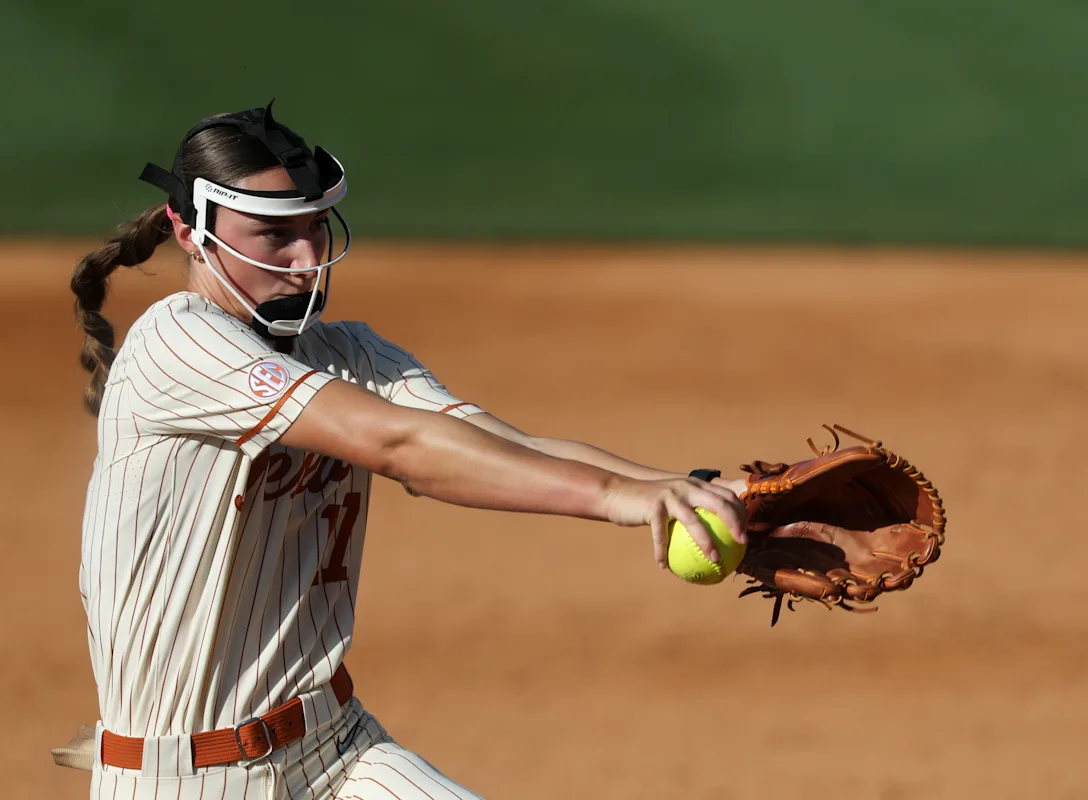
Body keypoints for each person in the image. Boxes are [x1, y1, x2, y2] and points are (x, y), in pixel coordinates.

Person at [71, 101, 748, 800]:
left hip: (339, 752)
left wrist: (699, 493)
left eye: (312, 227)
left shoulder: (348, 352)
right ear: (189, 230)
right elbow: (396, 444)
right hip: (186, 780)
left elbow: (502, 445)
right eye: (273, 235)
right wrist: (615, 499)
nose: (306, 259)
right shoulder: (177, 342)